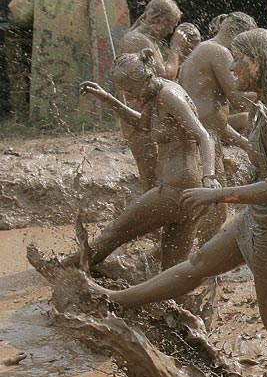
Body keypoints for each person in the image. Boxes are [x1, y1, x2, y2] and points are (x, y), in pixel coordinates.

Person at [74, 29, 267, 377]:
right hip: (261, 219)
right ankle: (115, 301)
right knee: (198, 264)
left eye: (238, 60)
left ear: (257, 63)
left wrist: (215, 193)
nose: (232, 67)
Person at [74, 49, 216, 270]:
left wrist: (210, 178)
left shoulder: (169, 96)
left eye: (130, 90)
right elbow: (142, 125)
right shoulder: (154, 94)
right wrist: (108, 99)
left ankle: (62, 270)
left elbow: (203, 136)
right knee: (172, 271)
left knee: (113, 234)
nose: (129, 97)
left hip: (177, 189)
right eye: (123, 92)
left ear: (146, 78)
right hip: (186, 191)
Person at [178, 11, 258, 244]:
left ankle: (191, 258)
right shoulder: (218, 51)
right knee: (215, 212)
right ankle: (199, 260)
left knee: (209, 212)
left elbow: (214, 121)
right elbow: (239, 99)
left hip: (203, 138)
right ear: (232, 32)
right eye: (245, 44)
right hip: (200, 142)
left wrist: (244, 143)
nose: (244, 54)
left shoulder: (207, 49)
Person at [117, 0, 193, 191]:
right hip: (139, 119)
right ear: (162, 22)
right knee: (151, 179)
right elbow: (164, 75)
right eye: (172, 25)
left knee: (160, 177)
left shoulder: (142, 37)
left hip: (147, 117)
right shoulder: (137, 40)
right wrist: (175, 48)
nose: (171, 31)